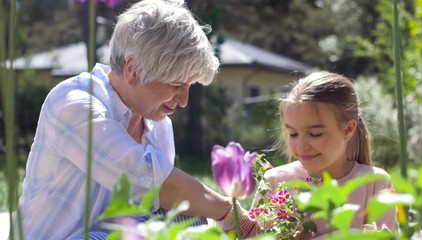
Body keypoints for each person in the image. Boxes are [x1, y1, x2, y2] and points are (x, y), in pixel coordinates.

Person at [13, 0, 256, 239]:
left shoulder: (159, 126)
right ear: (134, 70)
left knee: (185, 214)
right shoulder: (74, 103)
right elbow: (152, 183)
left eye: (189, 86)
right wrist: (229, 213)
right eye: (176, 84)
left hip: (105, 231)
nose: (183, 100)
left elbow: (158, 204)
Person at [252, 71, 398, 238]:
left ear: (348, 129)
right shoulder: (275, 182)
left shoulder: (375, 184)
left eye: (315, 134)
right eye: (293, 134)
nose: (301, 146)